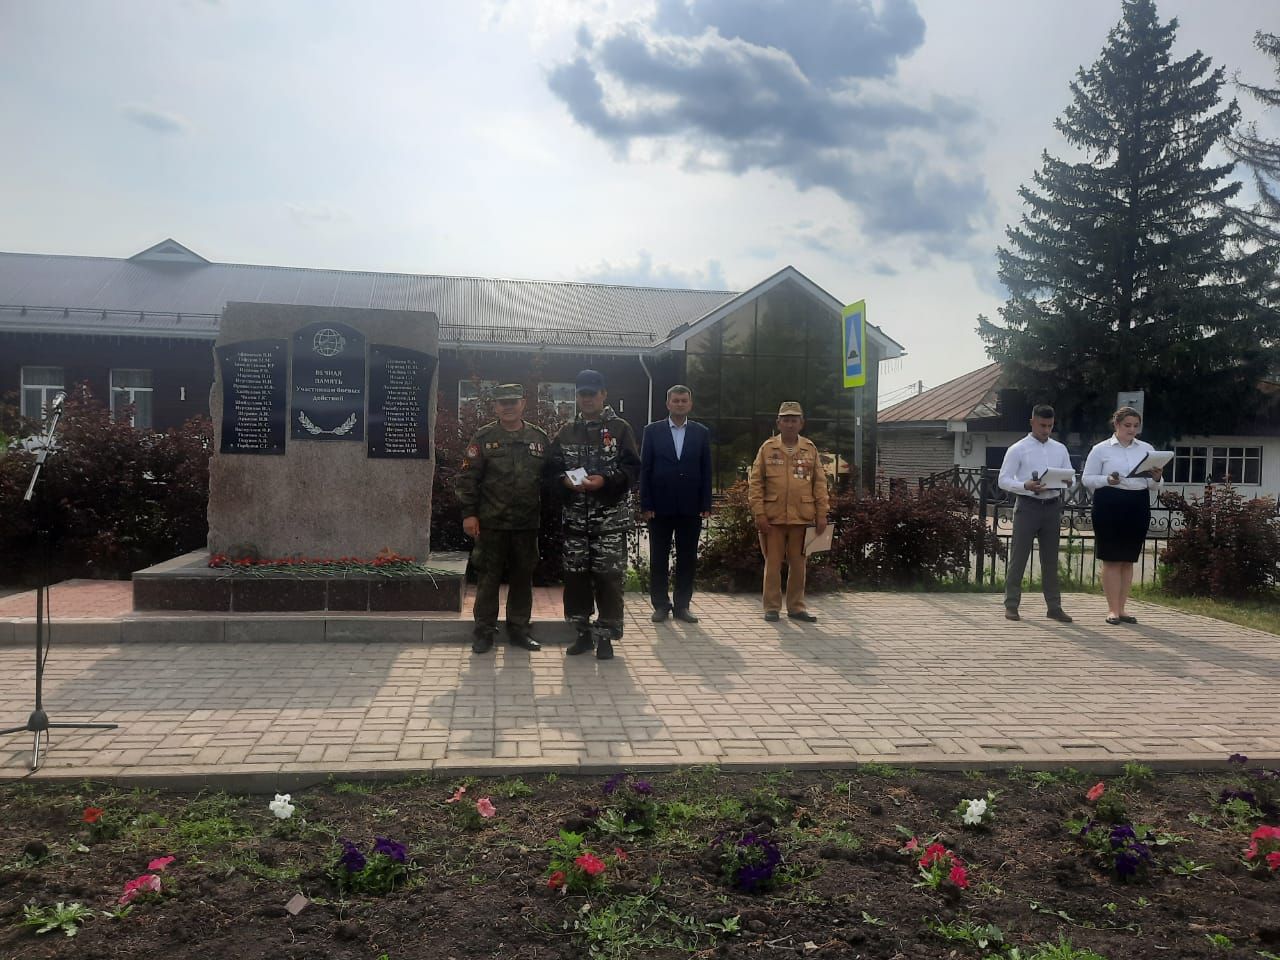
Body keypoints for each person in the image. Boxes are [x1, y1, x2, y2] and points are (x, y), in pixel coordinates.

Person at [547, 369, 641, 660]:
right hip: (575, 521)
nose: (587, 399)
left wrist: (606, 482)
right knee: (576, 579)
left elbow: (632, 469)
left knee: (608, 579)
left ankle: (606, 637)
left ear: (603, 394)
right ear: (577, 397)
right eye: (582, 394)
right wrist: (564, 481)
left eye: (592, 393)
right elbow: (550, 471)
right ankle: (582, 634)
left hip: (609, 523)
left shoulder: (620, 428)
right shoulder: (566, 431)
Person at [455, 383, 549, 654]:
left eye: (513, 402)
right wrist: (469, 514)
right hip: (491, 522)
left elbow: (552, 474)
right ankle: (484, 632)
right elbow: (467, 478)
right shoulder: (484, 437)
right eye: (502, 402)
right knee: (488, 579)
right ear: (495, 406)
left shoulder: (539, 438)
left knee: (522, 578)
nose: (508, 407)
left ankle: (519, 629)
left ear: (523, 404)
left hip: (526, 523)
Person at [747, 402, 829, 623]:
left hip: (802, 517)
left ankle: (796, 607)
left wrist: (822, 514)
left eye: (794, 420)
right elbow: (755, 483)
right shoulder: (767, 448)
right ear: (778, 423)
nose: (790, 424)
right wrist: (759, 513)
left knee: (799, 565)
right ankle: (772, 607)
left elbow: (820, 484)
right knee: (772, 564)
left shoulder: (810, 449)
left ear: (801, 423)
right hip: (773, 518)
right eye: (786, 419)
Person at [1082, 406, 1163, 625]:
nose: (1132, 430)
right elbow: (1087, 478)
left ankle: (1123, 608)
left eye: (1136, 426)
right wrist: (1107, 480)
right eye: (1127, 425)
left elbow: (1154, 485)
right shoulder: (1101, 449)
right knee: (1111, 558)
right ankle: (1112, 610)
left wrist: (1156, 477)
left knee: (1128, 559)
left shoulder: (1146, 448)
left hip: (1137, 503)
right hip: (1109, 501)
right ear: (1116, 425)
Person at [640, 385, 713, 624]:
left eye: (684, 401)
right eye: (676, 400)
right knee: (658, 558)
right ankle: (661, 605)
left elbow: (706, 470)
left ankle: (682, 606)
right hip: (659, 507)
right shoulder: (652, 431)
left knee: (687, 558)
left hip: (691, 507)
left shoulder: (701, 432)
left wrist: (705, 503)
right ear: (668, 404)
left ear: (690, 404)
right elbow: (646, 469)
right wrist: (646, 504)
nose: (680, 404)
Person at [997, 404, 1075, 623]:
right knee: (1019, 557)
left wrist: (1068, 481)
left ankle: (1054, 607)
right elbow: (1003, 479)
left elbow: (1072, 476)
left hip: (1052, 505)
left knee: (1050, 560)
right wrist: (1025, 485)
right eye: (1042, 425)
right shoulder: (1018, 449)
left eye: (1050, 426)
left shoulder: (1059, 448)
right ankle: (1011, 605)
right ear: (1032, 422)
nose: (1046, 430)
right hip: (1028, 505)